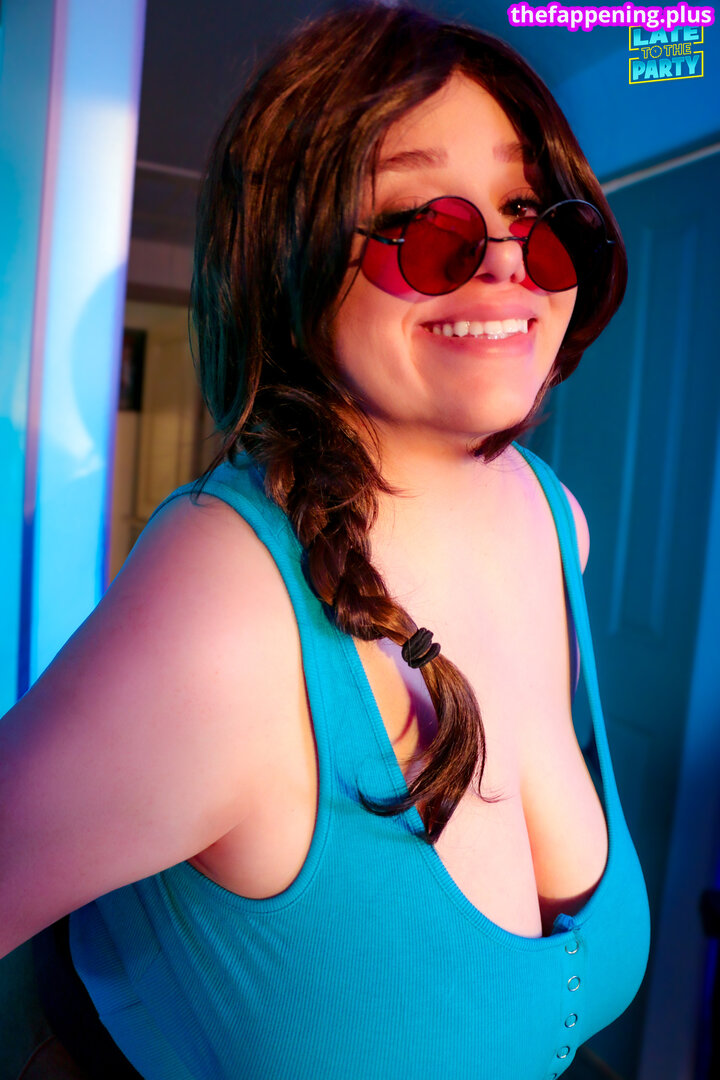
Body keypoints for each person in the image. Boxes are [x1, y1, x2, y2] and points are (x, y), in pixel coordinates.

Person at [2, 4, 651, 1077]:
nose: (507, 263)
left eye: (534, 214)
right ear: (287, 260)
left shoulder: (555, 520)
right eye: (424, 222)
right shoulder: (225, 604)